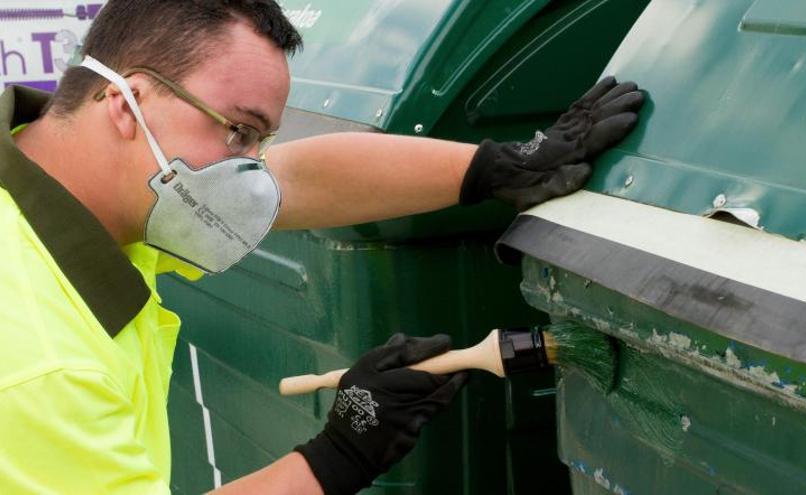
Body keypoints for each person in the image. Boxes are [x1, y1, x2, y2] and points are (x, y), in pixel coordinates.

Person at [0, 1, 644, 494]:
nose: (252, 172)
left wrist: (501, 165)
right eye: (240, 132)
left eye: (262, 141)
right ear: (124, 102)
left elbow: (300, 178)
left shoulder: (71, 183)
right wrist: (341, 452)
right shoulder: (37, 360)